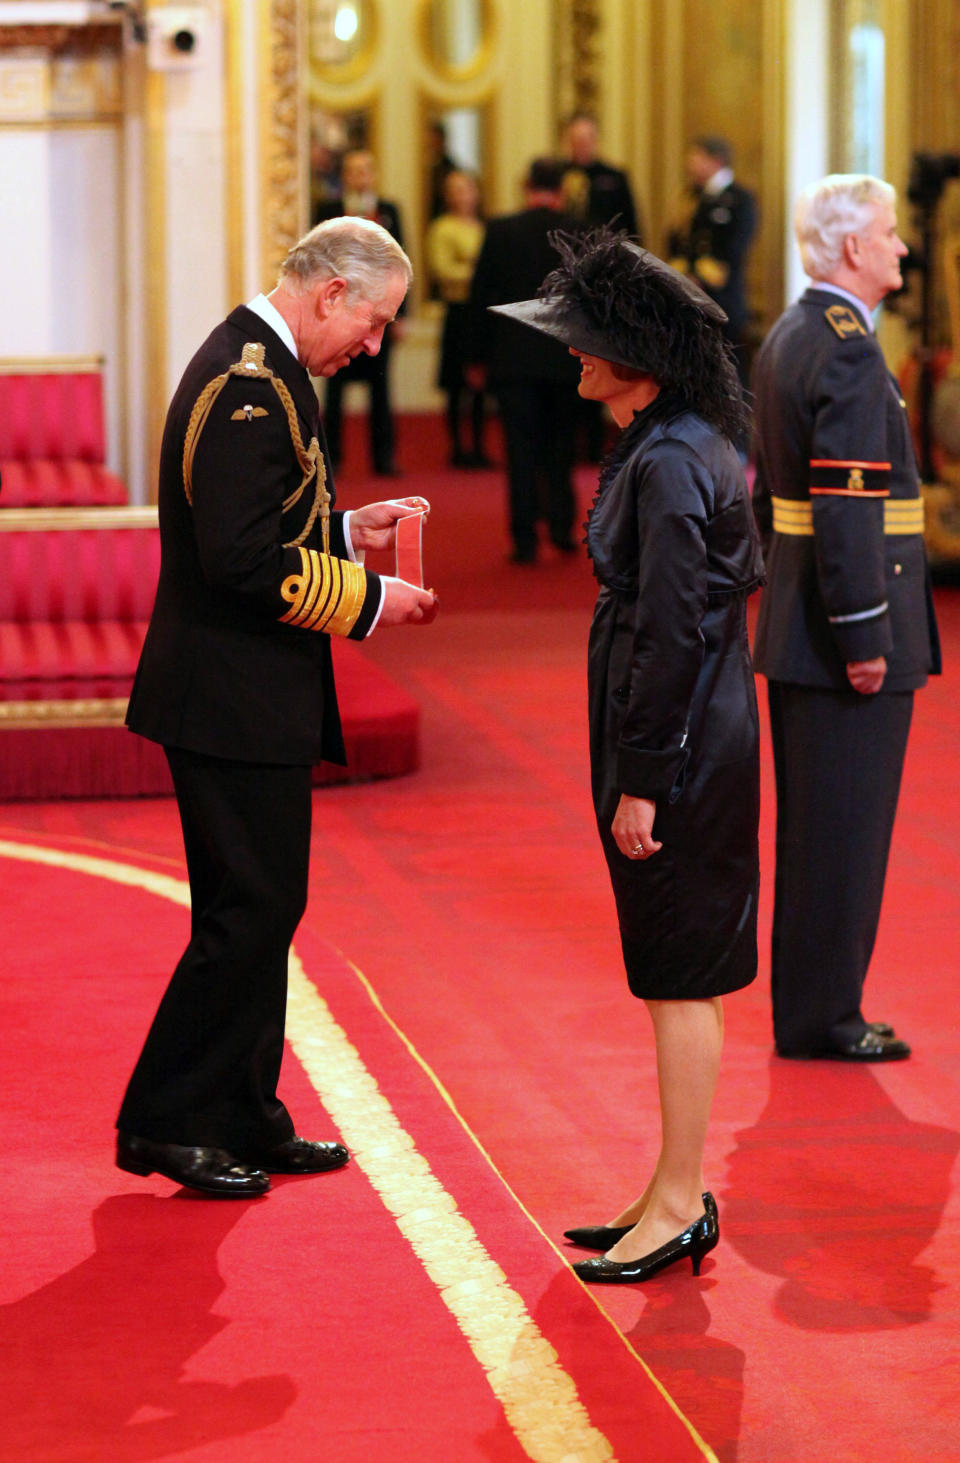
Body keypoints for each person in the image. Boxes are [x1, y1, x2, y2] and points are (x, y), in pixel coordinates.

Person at [117, 216, 438, 1198]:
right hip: (225, 691)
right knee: (250, 908)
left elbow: (264, 519)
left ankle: (244, 1110)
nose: (374, 346)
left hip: (240, 688)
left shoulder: (263, 365)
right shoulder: (251, 383)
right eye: (375, 322)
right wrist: (373, 599)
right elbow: (242, 560)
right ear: (332, 292)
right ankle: (169, 1119)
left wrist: (345, 527)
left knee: (256, 904)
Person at [493, 228, 763, 1283]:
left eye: (587, 342)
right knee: (669, 966)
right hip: (692, 726)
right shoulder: (673, 438)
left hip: (683, 740)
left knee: (679, 971)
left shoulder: (669, 456)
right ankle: (667, 1190)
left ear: (637, 361)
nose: (572, 356)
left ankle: (684, 1200)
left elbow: (676, 634)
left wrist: (645, 778)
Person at [752, 173, 941, 1062]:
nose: (902, 246)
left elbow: (773, 501)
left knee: (818, 829)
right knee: (845, 834)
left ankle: (816, 1006)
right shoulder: (850, 350)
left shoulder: (795, 333)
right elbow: (846, 509)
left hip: (799, 617)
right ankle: (826, 1016)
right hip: (844, 633)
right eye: (891, 232)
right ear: (852, 250)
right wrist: (867, 635)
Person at [467, 157, 582, 562]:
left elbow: (480, 296)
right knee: (562, 447)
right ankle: (564, 528)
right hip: (569, 357)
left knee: (520, 450)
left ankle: (525, 538)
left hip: (513, 357)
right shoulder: (580, 231)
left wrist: (476, 356)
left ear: (525, 185)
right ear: (562, 189)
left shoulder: (500, 231)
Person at [314, 150, 406, 475]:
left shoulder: (390, 211)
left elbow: (401, 265)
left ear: (374, 174)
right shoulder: (327, 210)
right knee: (335, 390)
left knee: (381, 390)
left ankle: (383, 459)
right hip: (339, 312)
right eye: (352, 170)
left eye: (364, 169)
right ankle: (332, 459)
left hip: (379, 314)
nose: (358, 175)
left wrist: (401, 315)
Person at [667, 136, 757, 375]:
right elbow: (677, 241)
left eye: (696, 157)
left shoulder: (739, 198)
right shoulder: (690, 196)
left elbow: (734, 248)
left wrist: (700, 277)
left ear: (715, 161)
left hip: (722, 295)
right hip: (689, 294)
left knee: (725, 369)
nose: (690, 163)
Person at [426, 169, 490, 469]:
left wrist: (471, 269)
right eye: (453, 189)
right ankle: (457, 447)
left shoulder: (483, 227)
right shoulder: (441, 228)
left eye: (465, 188)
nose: (460, 194)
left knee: (480, 383)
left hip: (480, 311)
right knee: (455, 384)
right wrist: (475, 272)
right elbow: (442, 270)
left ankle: (479, 446)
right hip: (457, 310)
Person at [560, 112, 641, 239]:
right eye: (577, 140)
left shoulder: (615, 177)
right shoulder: (560, 175)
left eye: (586, 140)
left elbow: (630, 223)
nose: (582, 146)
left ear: (595, 140)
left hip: (608, 249)